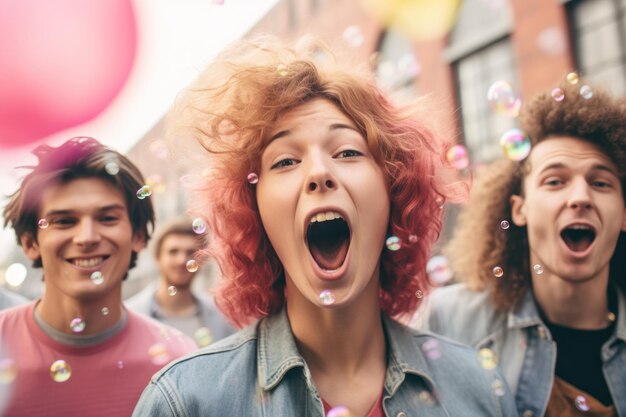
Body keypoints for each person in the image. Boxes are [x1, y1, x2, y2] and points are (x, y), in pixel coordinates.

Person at [132, 37, 518, 417]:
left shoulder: (480, 390)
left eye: (347, 152)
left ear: (394, 191)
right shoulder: (185, 403)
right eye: (285, 161)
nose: (319, 173)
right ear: (253, 211)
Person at [422, 81, 626, 416]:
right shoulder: (444, 322)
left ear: (623, 214)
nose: (580, 198)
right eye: (555, 181)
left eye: (600, 183)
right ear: (519, 209)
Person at [0, 137, 197, 417]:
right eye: (65, 221)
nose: (87, 238)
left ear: (138, 236)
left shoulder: (178, 361)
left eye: (107, 218)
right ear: (31, 243)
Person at [125, 216, 235, 346]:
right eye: (173, 252)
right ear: (158, 257)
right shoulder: (129, 314)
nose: (181, 260)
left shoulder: (222, 317)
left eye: (190, 253)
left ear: (202, 260)